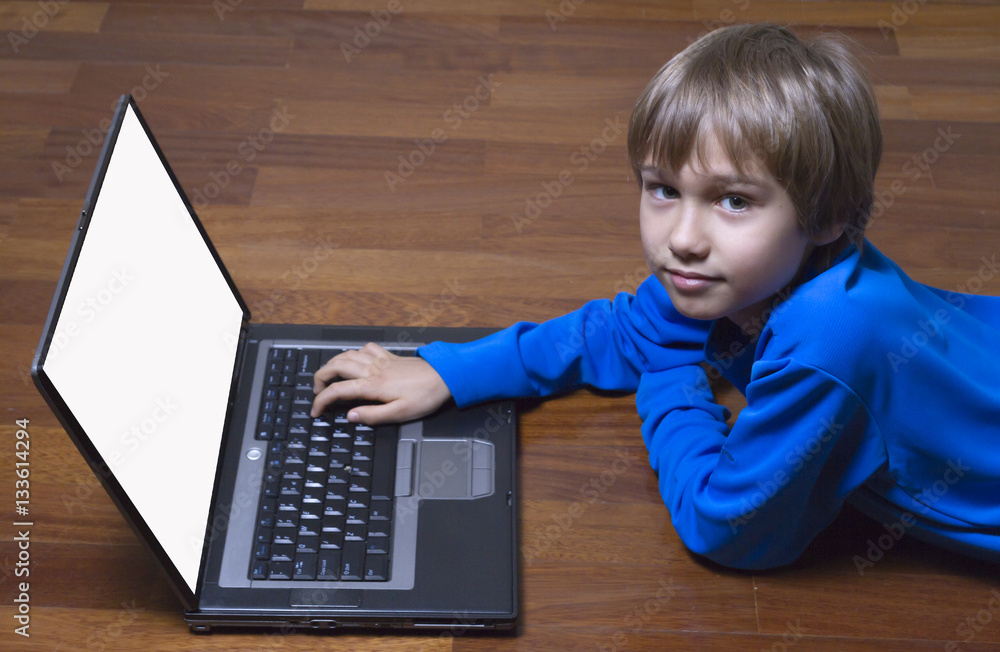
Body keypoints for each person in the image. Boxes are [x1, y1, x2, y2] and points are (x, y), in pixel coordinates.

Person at [311, 23, 1000, 570]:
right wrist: (452, 370)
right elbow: (622, 331)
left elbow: (729, 528)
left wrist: (671, 382)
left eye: (734, 200)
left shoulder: (832, 339)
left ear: (828, 216)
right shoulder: (746, 267)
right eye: (663, 189)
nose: (684, 239)